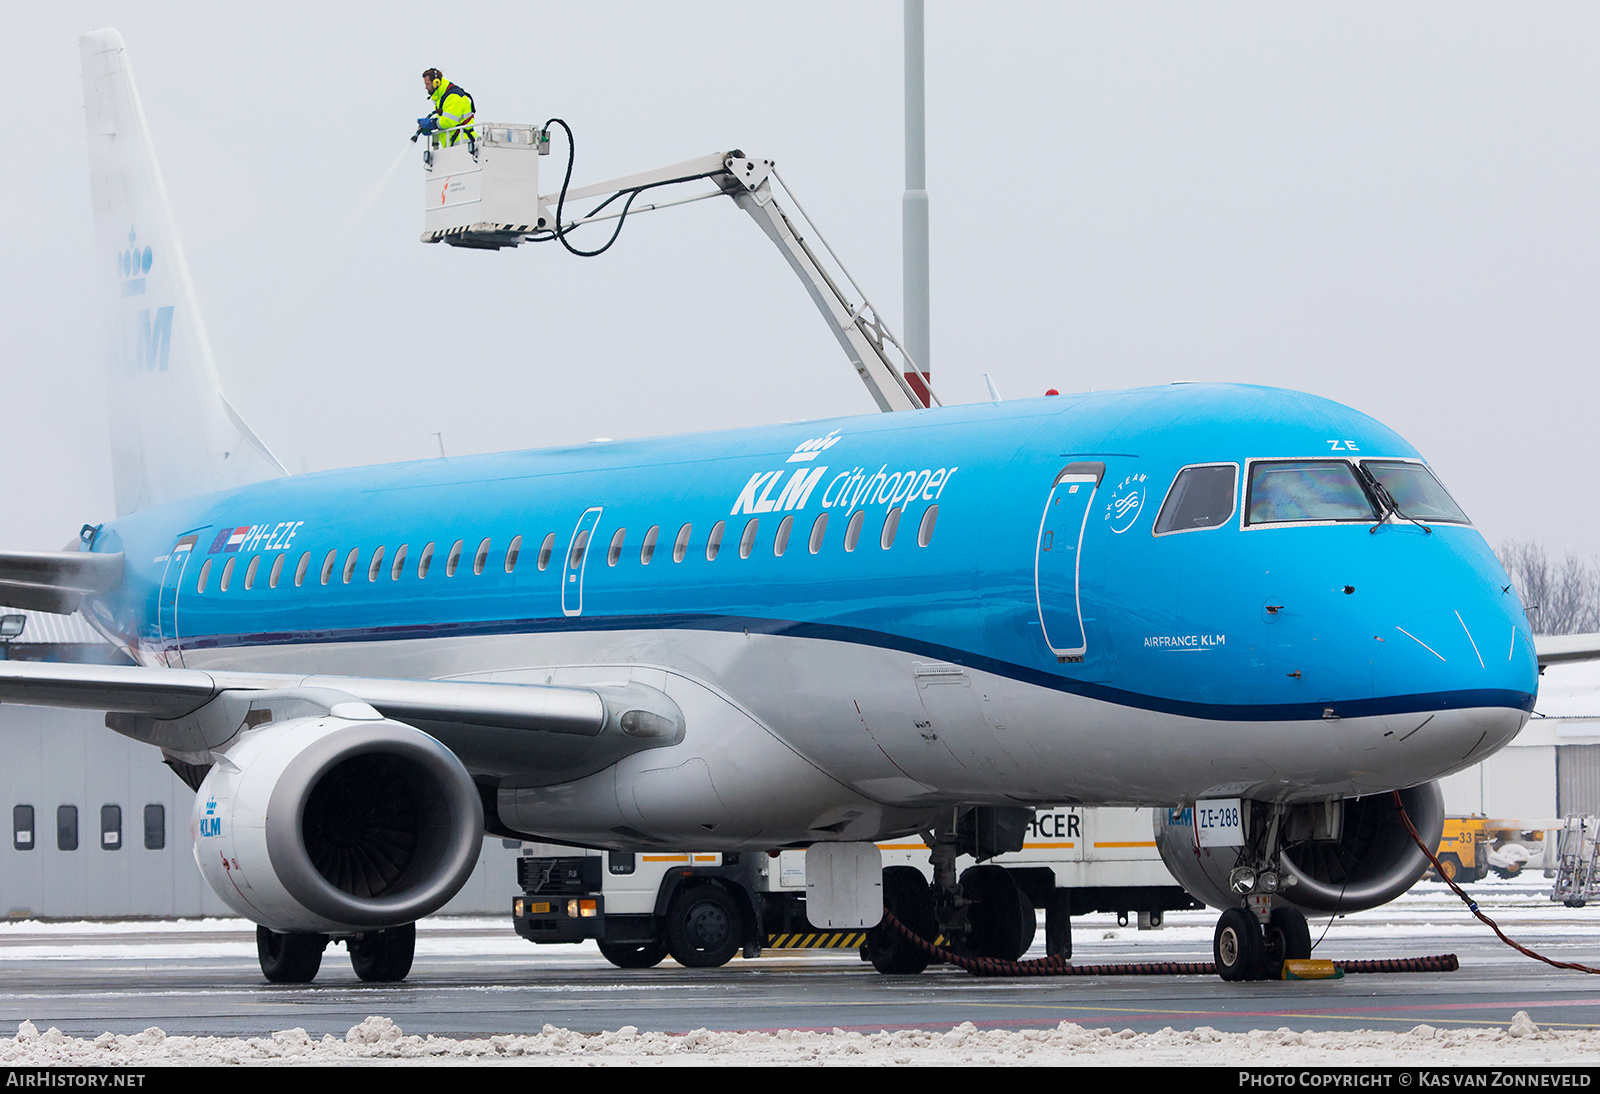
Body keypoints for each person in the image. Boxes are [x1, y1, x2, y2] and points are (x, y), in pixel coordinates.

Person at [417, 69, 475, 147]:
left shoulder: (454, 96)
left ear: (436, 83)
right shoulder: (442, 97)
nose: (426, 88)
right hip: (455, 144)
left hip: (464, 144)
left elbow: (449, 121)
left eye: (427, 84)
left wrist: (432, 124)